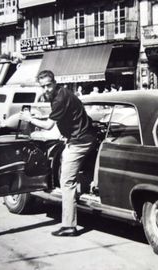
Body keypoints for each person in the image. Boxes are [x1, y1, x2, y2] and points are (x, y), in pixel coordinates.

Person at [20, 70, 97, 237]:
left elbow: (48, 126)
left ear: (54, 82)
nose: (46, 89)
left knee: (66, 183)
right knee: (65, 165)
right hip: (84, 137)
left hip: (79, 141)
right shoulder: (63, 93)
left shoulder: (59, 99)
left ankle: (69, 226)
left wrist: (29, 118)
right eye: (43, 86)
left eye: (49, 85)